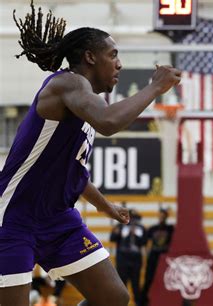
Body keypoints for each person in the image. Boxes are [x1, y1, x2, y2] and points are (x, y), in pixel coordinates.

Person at [0, 2, 181, 306]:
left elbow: (75, 174)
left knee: (113, 298)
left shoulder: (84, 105)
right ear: (89, 57)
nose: (119, 64)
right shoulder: (66, 84)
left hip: (58, 218)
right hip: (16, 215)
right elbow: (110, 122)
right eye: (113, 55)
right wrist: (154, 88)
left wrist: (105, 206)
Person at [110, 209, 147, 305]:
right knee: (122, 285)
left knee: (136, 284)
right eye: (131, 218)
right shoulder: (120, 226)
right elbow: (112, 238)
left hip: (135, 260)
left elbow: (144, 242)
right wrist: (117, 232)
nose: (132, 221)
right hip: (122, 259)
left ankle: (138, 303)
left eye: (135, 219)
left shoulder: (141, 228)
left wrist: (136, 234)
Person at [140, 208, 175, 306]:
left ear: (166, 216)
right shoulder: (153, 228)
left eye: (163, 215)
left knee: (166, 280)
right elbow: (144, 242)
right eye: (160, 215)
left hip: (164, 257)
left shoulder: (170, 228)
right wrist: (146, 254)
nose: (161, 217)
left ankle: (166, 300)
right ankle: (143, 302)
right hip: (153, 257)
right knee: (149, 279)